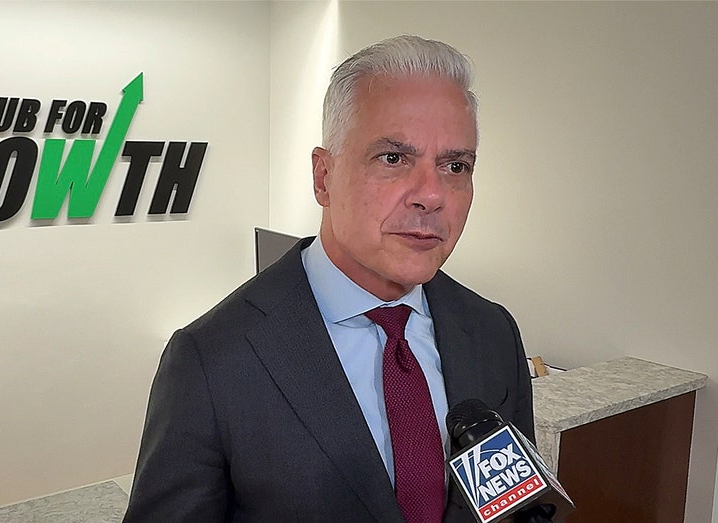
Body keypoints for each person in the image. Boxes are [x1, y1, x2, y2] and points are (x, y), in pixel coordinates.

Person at [123, 34, 534, 523]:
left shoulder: (492, 331)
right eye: (393, 158)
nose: (431, 195)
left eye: (455, 166)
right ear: (323, 177)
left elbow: (521, 511)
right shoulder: (211, 361)